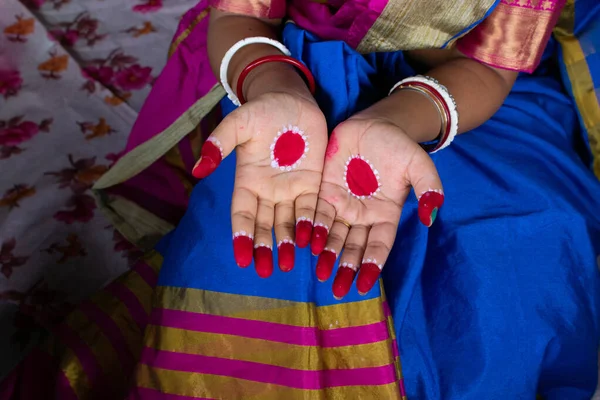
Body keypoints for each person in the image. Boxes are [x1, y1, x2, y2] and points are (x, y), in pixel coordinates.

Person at [2, 0, 600, 399]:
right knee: (271, 263)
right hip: (291, 72)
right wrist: (274, 87)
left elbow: (488, 71)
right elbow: (236, 18)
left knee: (510, 274)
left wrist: (397, 122)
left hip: (454, 105)